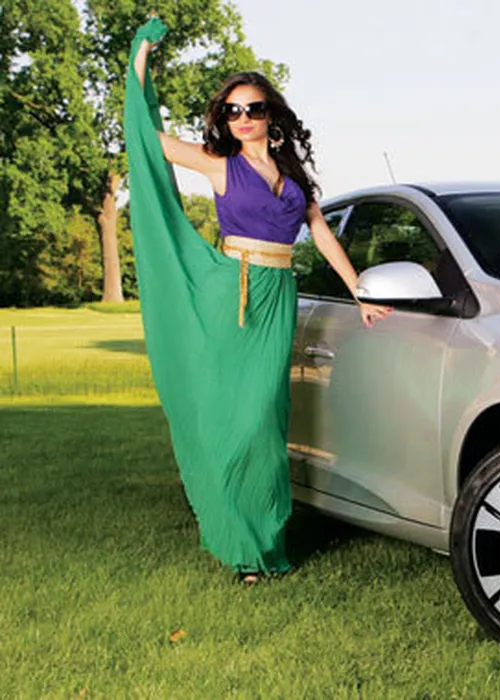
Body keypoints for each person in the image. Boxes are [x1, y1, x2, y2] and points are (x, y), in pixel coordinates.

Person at [124, 17, 390, 584]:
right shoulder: (219, 164)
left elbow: (320, 232)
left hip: (278, 296)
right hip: (233, 296)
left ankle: (267, 541)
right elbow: (148, 139)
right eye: (233, 111)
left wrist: (359, 292)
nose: (243, 118)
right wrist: (141, 59)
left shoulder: (292, 175)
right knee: (239, 422)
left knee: (266, 425)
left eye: (254, 108)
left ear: (272, 115)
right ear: (224, 119)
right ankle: (239, 540)